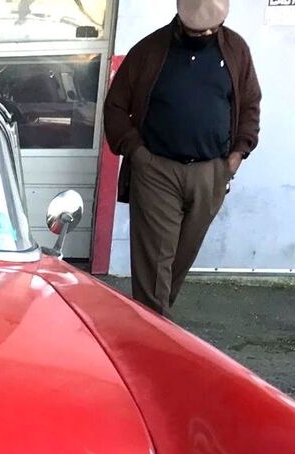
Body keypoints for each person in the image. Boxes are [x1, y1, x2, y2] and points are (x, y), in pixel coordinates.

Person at [103, 0, 261, 316]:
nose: (205, 32)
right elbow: (116, 106)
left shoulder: (236, 50)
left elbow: (250, 104)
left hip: (211, 172)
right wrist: (136, 150)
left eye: (211, 27)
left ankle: (155, 319)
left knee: (181, 256)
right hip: (156, 168)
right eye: (197, 27)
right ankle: (152, 332)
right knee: (154, 260)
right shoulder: (149, 50)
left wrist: (237, 154)